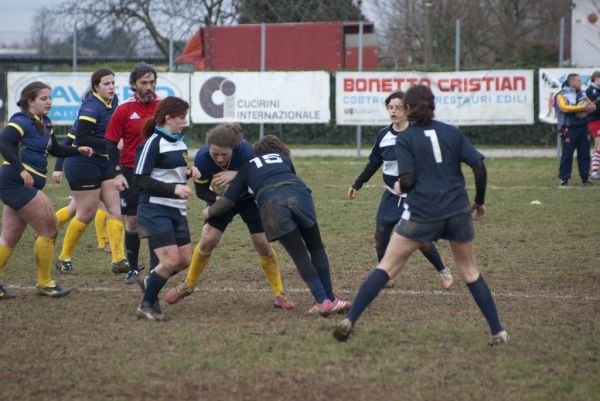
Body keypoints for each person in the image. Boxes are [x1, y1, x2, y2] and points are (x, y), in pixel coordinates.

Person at [333, 84, 508, 346]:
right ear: (433, 104)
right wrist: (479, 202)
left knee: (387, 266)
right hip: (458, 210)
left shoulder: (406, 138)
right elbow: (478, 165)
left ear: (409, 109)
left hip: (423, 211)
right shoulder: (451, 132)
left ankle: (350, 320)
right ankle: (497, 331)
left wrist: (398, 186)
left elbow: (409, 179)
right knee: (470, 271)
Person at [202, 135, 350, 315]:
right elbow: (290, 177)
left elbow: (227, 202)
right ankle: (331, 298)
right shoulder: (284, 159)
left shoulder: (246, 167)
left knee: (299, 254)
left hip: (272, 202)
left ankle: (322, 301)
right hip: (299, 193)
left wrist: (209, 212)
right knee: (316, 247)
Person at [164, 124, 295, 310]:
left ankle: (280, 294)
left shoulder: (247, 153)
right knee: (208, 238)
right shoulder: (202, 158)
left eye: (224, 154)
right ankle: (188, 284)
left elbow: (259, 182)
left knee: (262, 243)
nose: (218, 158)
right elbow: (201, 192)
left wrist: (238, 175)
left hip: (248, 198)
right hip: (223, 200)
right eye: (214, 153)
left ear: (233, 149)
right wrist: (219, 199)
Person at [348, 91, 453, 289]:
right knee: (380, 234)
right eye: (391, 107)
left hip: (414, 196)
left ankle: (442, 269)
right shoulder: (384, 135)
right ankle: (386, 273)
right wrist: (357, 184)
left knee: (419, 238)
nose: (394, 111)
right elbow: (374, 163)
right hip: (391, 194)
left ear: (407, 110)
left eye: (398, 107)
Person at [0, 81, 93, 299]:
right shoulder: (21, 120)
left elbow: (56, 149)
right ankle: (45, 282)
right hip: (16, 182)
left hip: (19, 184)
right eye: (43, 98)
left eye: (50, 98)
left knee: (10, 237)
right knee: (49, 228)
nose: (49, 102)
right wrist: (21, 170)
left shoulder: (45, 122)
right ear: (29, 102)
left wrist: (77, 150)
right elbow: (3, 142)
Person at [56, 68, 128, 274]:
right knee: (85, 213)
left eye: (113, 83)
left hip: (104, 161)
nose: (111, 87)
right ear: (96, 87)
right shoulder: (90, 107)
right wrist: (112, 143)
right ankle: (64, 258)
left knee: (115, 210)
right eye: (106, 84)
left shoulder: (113, 103)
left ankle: (118, 260)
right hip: (82, 162)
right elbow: (82, 139)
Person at [135, 96, 200, 320]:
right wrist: (173, 189)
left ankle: (150, 280)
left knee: (184, 260)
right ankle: (146, 305)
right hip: (155, 208)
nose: (185, 122)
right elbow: (140, 180)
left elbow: (173, 172)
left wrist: (189, 172)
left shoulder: (179, 142)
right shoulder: (152, 143)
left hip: (177, 209)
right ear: (168, 118)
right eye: (182, 117)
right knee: (170, 261)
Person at [106, 62, 161, 285]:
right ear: (134, 85)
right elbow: (110, 143)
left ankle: (157, 269)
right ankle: (132, 269)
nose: (149, 87)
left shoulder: (163, 107)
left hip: (157, 171)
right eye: (143, 83)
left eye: (152, 82)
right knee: (134, 222)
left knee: (157, 220)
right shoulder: (124, 109)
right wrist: (117, 173)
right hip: (131, 172)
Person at [52, 126, 110, 253]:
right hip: (84, 168)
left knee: (73, 208)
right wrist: (57, 168)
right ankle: (103, 243)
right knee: (102, 205)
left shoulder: (108, 118)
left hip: (104, 166)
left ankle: (46, 230)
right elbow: (65, 145)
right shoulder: (83, 122)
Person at [555, 73, 595, 188]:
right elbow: (564, 108)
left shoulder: (583, 93)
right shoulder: (561, 95)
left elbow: (592, 105)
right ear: (571, 83)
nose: (580, 83)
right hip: (568, 128)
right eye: (578, 82)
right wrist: (582, 107)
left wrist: (591, 108)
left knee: (584, 154)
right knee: (567, 154)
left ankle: (585, 178)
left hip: (582, 127)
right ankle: (564, 179)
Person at [585, 71, 600, 179]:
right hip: (595, 120)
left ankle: (594, 170)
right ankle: (594, 172)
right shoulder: (589, 91)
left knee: (597, 145)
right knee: (599, 145)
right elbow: (592, 107)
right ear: (595, 78)